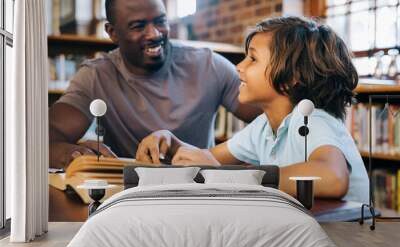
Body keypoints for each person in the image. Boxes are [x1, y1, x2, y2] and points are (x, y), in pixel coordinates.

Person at [136, 16, 369, 203]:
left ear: (291, 78)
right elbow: (209, 160)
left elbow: (334, 178)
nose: (239, 66)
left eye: (252, 59)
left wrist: (237, 177)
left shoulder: (312, 120)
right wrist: (171, 142)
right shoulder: (263, 128)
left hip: (346, 237)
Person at [49, 0, 260, 169]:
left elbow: (274, 117)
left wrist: (233, 155)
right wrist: (73, 154)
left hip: (200, 189)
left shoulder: (208, 65)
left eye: (160, 21)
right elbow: (45, 139)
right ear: (112, 32)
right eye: (138, 26)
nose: (154, 34)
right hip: (127, 195)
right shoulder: (96, 76)